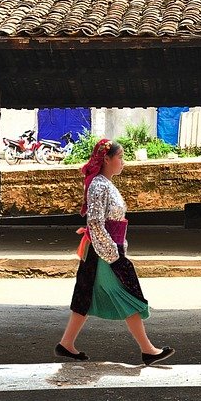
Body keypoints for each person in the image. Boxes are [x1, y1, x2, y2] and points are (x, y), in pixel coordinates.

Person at [56, 138, 175, 366]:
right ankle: (147, 349)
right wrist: (112, 254)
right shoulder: (99, 185)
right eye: (120, 157)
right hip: (104, 252)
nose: (123, 162)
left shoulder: (103, 183)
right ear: (107, 159)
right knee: (126, 294)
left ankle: (66, 344)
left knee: (86, 294)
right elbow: (96, 223)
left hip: (104, 249)